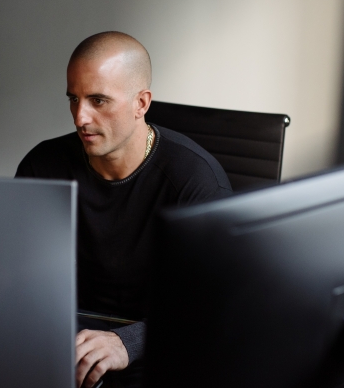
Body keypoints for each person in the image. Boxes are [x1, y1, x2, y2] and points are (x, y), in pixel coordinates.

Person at [16, 31, 232, 387]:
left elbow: (214, 304)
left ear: (141, 103)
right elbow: (20, 278)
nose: (80, 118)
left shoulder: (195, 181)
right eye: (74, 99)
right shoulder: (43, 166)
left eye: (98, 100)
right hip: (65, 345)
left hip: (159, 348)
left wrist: (128, 342)